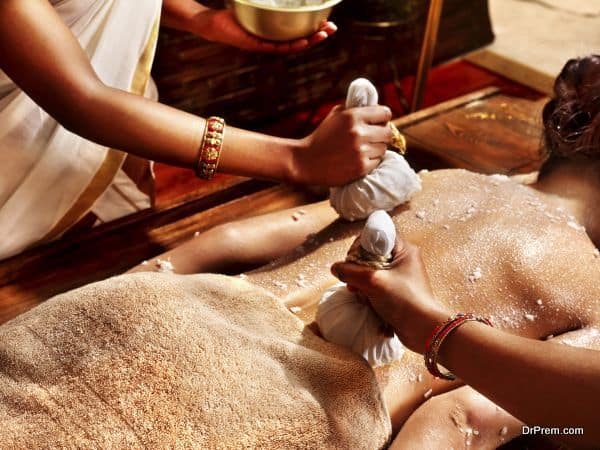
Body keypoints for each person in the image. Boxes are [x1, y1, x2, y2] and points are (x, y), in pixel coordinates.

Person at [130, 55, 600, 448]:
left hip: (184, 315)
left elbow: (231, 239)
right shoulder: (592, 292)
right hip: (282, 410)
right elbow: (462, 421)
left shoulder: (436, 181)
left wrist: (127, 291)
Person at [0, 0, 391, 259]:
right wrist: (295, 159)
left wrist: (200, 19)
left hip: (112, 127)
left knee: (121, 244)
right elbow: (82, 100)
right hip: (22, 136)